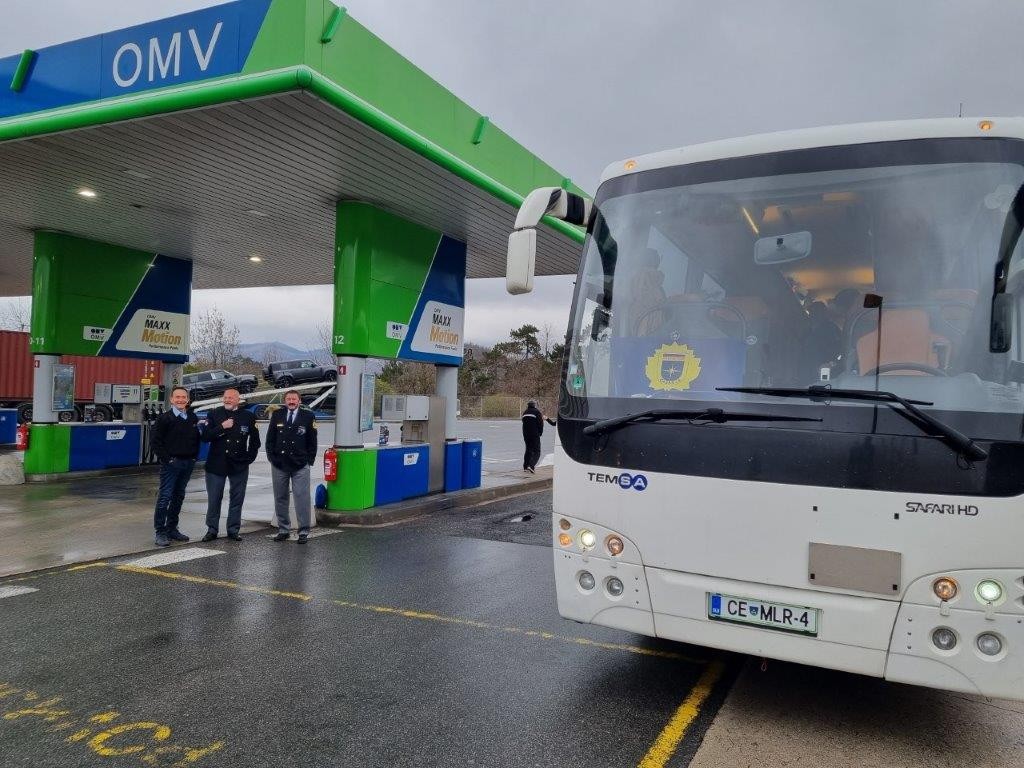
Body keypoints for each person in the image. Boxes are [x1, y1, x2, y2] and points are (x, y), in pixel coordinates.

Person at [201, 388, 261, 542]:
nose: (227, 400)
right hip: (216, 464)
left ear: (238, 400)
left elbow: (255, 441)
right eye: (225, 397)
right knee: (214, 498)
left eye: (231, 398)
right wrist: (222, 427)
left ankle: (233, 530)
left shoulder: (248, 416)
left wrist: (248, 458)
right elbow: (205, 437)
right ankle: (212, 529)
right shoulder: (213, 414)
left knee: (237, 498)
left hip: (238, 465)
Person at [150, 386, 201, 548]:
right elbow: (155, 442)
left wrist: (193, 457)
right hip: (171, 464)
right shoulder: (164, 419)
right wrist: (168, 460)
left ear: (188, 400)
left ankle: (172, 528)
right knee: (165, 497)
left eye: (183, 397)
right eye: (177, 397)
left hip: (188, 463)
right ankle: (160, 532)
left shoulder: (192, 417)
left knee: (179, 496)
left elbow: (196, 439)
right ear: (171, 399)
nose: (180, 400)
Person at [266, 390, 318, 544]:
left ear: (299, 401)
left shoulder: (308, 416)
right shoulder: (277, 415)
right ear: (285, 401)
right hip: (279, 464)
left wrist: (309, 461)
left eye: (294, 399)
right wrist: (271, 458)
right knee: (280, 497)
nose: (291, 401)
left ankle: (303, 531)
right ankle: (283, 530)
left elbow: (312, 441)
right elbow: (270, 439)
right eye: (288, 399)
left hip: (300, 464)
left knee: (302, 497)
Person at [521, 400, 554, 473]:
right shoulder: (537, 412)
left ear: (528, 405)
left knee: (528, 450)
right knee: (537, 451)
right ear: (534, 405)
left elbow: (523, 423)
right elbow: (540, 423)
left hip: (526, 434)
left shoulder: (525, 413)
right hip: (534, 434)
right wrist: (540, 433)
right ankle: (531, 466)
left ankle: (525, 467)